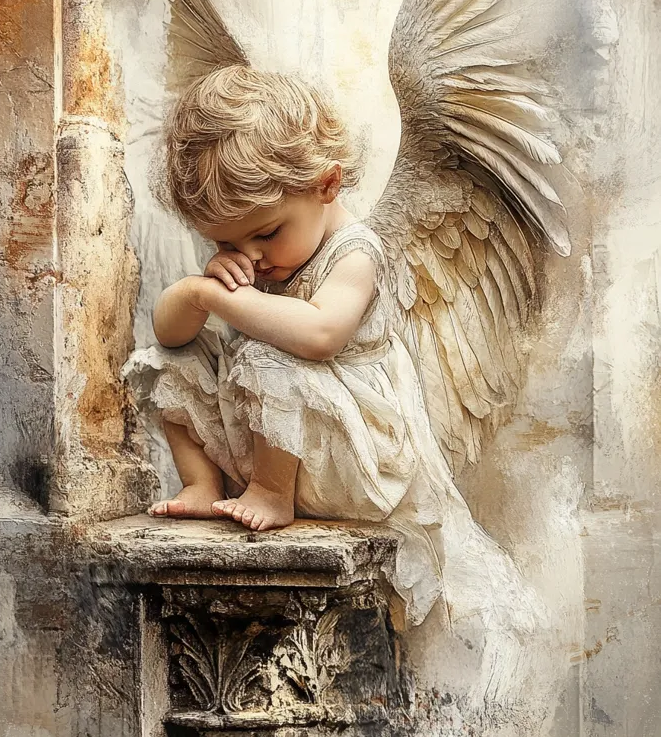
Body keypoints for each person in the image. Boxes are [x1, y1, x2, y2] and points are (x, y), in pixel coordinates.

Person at [123, 63, 468, 623]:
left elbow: (319, 335)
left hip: (350, 452)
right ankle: (202, 483)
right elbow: (169, 333)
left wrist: (224, 300)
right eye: (228, 241)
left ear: (326, 185)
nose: (252, 256)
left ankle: (270, 492)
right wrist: (195, 289)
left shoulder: (357, 253)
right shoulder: (264, 248)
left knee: (266, 356)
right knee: (166, 359)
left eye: (264, 233)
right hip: (275, 434)